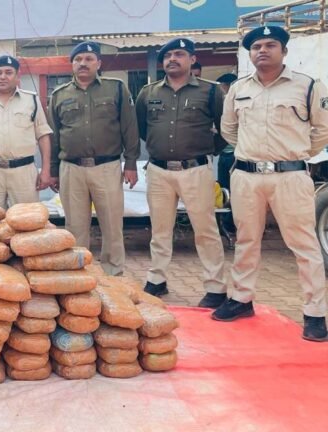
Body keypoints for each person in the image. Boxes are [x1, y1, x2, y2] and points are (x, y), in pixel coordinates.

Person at [217, 25, 328, 341]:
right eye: (256, 47)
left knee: (304, 245)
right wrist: (252, 153)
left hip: (289, 177)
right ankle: (241, 298)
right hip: (247, 176)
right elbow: (229, 129)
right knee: (246, 240)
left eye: (270, 45)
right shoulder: (238, 88)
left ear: (284, 51)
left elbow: (322, 130)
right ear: (250, 53)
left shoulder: (307, 86)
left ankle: (315, 313)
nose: (262, 51)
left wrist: (294, 155)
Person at [135, 37, 228, 308]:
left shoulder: (210, 92)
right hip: (159, 170)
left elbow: (225, 129)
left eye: (179, 54)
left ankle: (215, 287)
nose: (172, 59)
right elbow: (143, 129)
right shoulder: (148, 93)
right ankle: (157, 280)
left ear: (192, 59)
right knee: (160, 229)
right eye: (167, 56)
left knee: (205, 230)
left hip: (195, 170)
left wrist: (204, 149)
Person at [48, 42, 140, 276]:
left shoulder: (116, 88)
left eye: (89, 59)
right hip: (71, 169)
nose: (83, 63)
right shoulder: (59, 95)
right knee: (75, 226)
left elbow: (130, 128)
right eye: (78, 59)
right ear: (72, 64)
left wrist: (131, 163)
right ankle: (80, 274)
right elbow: (55, 137)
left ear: (98, 63)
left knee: (112, 224)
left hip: (107, 166)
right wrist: (53, 171)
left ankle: (113, 274)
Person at [0, 55, 53, 208]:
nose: (3, 77)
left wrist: (46, 170)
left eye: (8, 72)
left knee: (25, 217)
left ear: (18, 75)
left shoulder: (31, 100)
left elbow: (43, 135)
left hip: (23, 172)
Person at [215, 72, 238, 233]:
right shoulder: (223, 104)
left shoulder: (237, 104)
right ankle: (225, 222)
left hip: (235, 155)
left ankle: (232, 223)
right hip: (224, 154)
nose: (221, 90)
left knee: (235, 191)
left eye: (222, 86)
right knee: (223, 189)